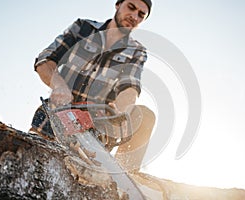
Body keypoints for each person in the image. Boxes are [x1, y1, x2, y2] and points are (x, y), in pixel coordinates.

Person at [30, 0, 155, 172]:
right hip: (55, 118)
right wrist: (59, 85)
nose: (134, 16)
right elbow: (45, 60)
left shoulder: (136, 51)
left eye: (141, 14)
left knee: (145, 116)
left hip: (94, 128)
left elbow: (130, 87)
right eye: (131, 8)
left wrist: (121, 112)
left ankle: (122, 177)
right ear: (118, 5)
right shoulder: (83, 28)